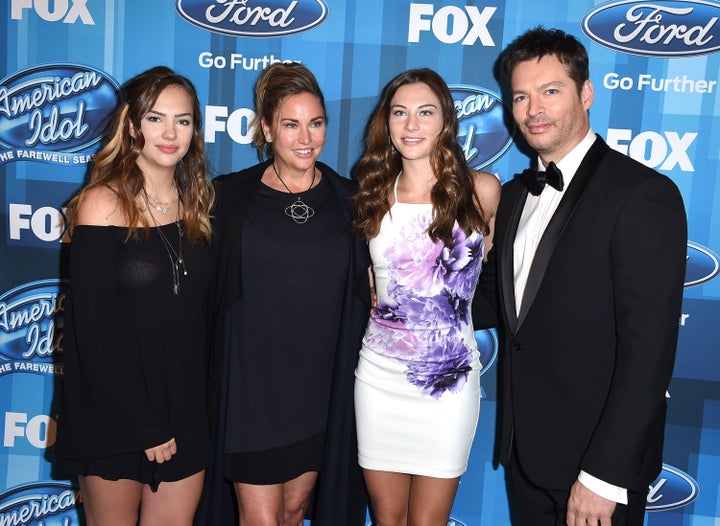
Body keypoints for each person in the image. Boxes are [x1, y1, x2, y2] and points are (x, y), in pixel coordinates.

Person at [472, 27, 687, 525]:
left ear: (586, 93)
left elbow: (649, 353)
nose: (533, 110)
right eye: (521, 96)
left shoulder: (641, 195)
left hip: (595, 470)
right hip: (525, 456)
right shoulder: (514, 196)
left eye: (551, 91)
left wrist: (604, 475)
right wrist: (400, 288)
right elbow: (492, 306)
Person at [207, 62, 370, 526]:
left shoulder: (350, 201)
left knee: (296, 510)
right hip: (252, 394)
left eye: (315, 124)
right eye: (291, 125)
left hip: (321, 392)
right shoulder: (230, 199)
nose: (305, 138)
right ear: (266, 128)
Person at [54, 66, 215, 525]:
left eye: (183, 121)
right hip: (115, 409)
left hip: (184, 405)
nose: (170, 133)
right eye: (155, 119)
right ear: (130, 126)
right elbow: (94, 330)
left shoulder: (199, 204)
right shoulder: (100, 203)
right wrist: (144, 424)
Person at [352, 68, 501, 526]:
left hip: (448, 385)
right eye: (400, 113)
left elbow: (489, 279)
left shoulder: (482, 191)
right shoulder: (371, 192)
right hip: (378, 380)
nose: (411, 125)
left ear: (446, 122)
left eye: (425, 112)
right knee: (387, 519)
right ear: (387, 122)